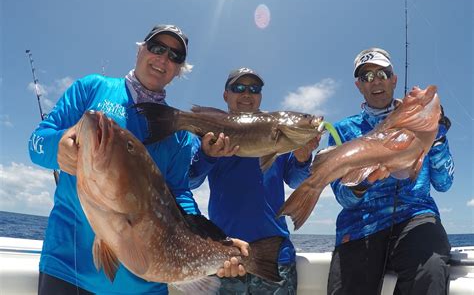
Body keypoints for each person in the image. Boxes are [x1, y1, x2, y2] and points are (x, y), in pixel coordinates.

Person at [28, 24, 248, 295]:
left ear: (179, 70)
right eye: (157, 48)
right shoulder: (91, 88)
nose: (164, 59)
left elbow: (179, 192)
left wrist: (213, 242)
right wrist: (56, 148)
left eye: (175, 56)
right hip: (67, 269)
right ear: (140, 50)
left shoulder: (177, 132)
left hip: (145, 286)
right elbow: (36, 142)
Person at [326, 47, 455, 295]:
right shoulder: (343, 131)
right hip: (359, 224)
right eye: (366, 76)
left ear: (394, 79)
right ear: (358, 86)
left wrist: (436, 140)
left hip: (416, 216)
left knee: (431, 268)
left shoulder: (420, 118)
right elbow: (344, 197)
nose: (375, 81)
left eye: (382, 74)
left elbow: (445, 183)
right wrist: (363, 182)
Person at [189, 67, 321, 294]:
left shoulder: (279, 134)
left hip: (275, 257)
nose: (247, 94)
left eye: (254, 89)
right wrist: (207, 156)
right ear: (225, 95)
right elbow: (190, 181)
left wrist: (303, 158)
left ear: (260, 95)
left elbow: (296, 180)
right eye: (238, 88)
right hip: (227, 255)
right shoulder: (209, 136)